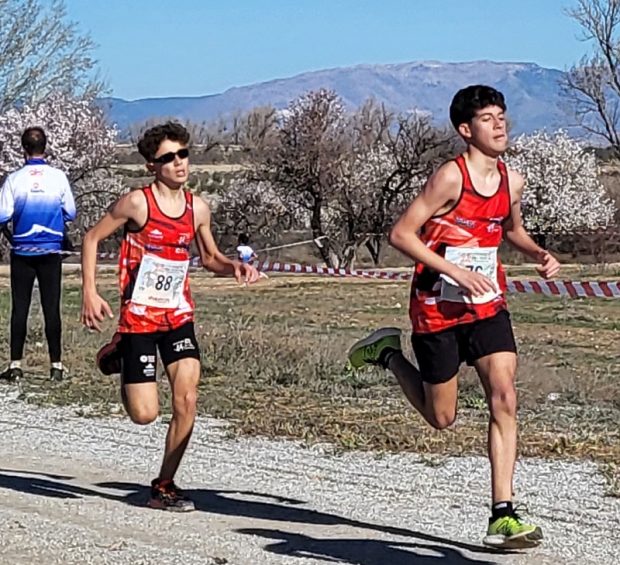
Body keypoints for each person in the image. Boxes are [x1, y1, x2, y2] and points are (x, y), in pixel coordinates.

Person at [347, 85, 560, 550]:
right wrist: (454, 270)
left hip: (486, 306)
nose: (499, 124)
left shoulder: (512, 181)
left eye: (502, 115)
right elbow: (401, 234)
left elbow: (512, 230)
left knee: (504, 396)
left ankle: (502, 513)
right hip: (436, 308)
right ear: (466, 130)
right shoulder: (450, 178)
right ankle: (387, 354)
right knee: (441, 418)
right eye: (487, 118)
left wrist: (539, 252)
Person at [80, 122, 260, 512]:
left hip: (178, 315)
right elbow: (92, 238)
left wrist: (235, 268)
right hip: (140, 319)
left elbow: (210, 257)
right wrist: (90, 291)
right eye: (168, 158)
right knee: (145, 415)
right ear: (151, 166)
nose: (179, 163)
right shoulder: (137, 203)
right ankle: (121, 353)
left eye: (183, 154)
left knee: (188, 398)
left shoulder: (198, 208)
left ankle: (164, 485)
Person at [0, 127, 76, 382]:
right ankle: (56, 365)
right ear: (46, 147)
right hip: (50, 250)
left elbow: (2, 216)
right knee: (51, 307)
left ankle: (15, 365)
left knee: (19, 307)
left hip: (22, 249)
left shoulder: (14, 179)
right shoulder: (58, 177)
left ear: (23, 149)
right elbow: (71, 213)